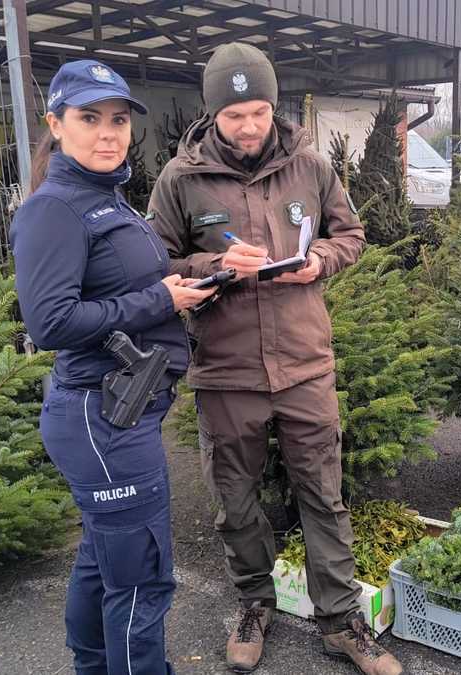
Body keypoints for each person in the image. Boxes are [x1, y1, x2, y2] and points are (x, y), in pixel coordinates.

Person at [148, 42, 403, 675]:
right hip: (227, 371)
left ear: (273, 106)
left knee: (323, 494)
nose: (249, 126)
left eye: (259, 111)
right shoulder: (181, 178)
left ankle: (341, 621)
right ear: (214, 115)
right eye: (235, 115)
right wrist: (213, 265)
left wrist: (319, 262)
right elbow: (152, 261)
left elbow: (351, 235)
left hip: (304, 364)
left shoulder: (311, 167)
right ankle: (252, 605)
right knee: (235, 500)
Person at [10, 59, 214, 675]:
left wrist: (184, 279)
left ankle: (93, 667)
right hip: (104, 420)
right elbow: (50, 324)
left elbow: (119, 285)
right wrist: (161, 299)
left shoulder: (108, 198)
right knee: (143, 576)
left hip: (123, 411)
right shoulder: (56, 209)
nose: (108, 133)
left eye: (119, 120)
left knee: (105, 557)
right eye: (90, 118)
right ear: (56, 124)